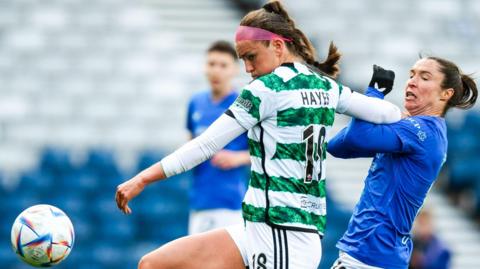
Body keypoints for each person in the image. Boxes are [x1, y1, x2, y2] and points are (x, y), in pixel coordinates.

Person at [115, 1, 403, 268]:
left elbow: (205, 145)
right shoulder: (327, 87)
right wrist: (377, 95)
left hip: (281, 230)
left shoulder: (266, 89)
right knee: (152, 264)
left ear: (278, 46)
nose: (248, 68)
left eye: (251, 57)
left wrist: (142, 178)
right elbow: (388, 114)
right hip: (261, 227)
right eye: (242, 60)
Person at [328, 56, 478, 269]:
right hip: (372, 254)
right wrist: (379, 113)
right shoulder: (413, 129)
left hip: (370, 256)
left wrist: (374, 96)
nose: (412, 81)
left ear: (446, 93)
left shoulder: (422, 131)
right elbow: (337, 147)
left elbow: (356, 138)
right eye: (411, 75)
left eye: (425, 77)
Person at [186, 40, 250, 234]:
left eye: (223, 65)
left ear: (234, 70)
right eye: (211, 64)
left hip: (230, 204)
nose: (216, 70)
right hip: (199, 202)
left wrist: (238, 158)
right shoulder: (195, 103)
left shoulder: (244, 105)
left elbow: (266, 150)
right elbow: (191, 142)